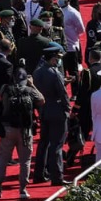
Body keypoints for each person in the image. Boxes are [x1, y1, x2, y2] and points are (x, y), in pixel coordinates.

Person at [0, 66, 42, 201]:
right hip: (25, 131)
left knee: (2, 159)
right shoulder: (29, 90)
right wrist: (32, 85)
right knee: (25, 161)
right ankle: (23, 190)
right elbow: (42, 100)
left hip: (8, 129)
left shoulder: (6, 89)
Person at [34, 45, 70, 186]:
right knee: (57, 145)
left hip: (44, 110)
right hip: (57, 110)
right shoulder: (54, 73)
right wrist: (67, 109)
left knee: (43, 143)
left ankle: (39, 174)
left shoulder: (37, 72)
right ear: (53, 58)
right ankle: (57, 177)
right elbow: (63, 93)